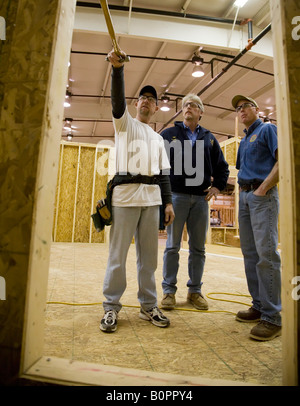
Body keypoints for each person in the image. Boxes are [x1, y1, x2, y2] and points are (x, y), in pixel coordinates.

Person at [100, 50, 175, 333]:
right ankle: (111, 307)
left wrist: (167, 203)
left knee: (149, 259)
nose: (147, 101)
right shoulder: (124, 125)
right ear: (136, 104)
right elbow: (117, 102)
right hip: (124, 198)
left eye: (152, 100)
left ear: (156, 109)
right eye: (143, 98)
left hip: (152, 200)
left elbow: (163, 174)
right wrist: (117, 71)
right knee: (117, 256)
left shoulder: (158, 139)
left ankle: (148, 306)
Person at [160, 94, 229, 311]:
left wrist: (217, 186)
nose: (188, 108)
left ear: (201, 112)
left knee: (198, 248)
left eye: (193, 105)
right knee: (172, 246)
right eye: (185, 105)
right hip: (176, 198)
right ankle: (169, 291)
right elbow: (158, 167)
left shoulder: (209, 139)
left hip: (200, 200)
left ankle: (195, 291)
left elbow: (222, 167)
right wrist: (166, 199)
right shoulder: (168, 134)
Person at [232, 95, 281, 341]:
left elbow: (282, 160)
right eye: (238, 109)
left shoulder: (267, 129)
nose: (241, 110)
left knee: (267, 254)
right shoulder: (244, 140)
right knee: (250, 254)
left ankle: (273, 317)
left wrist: (263, 189)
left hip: (262, 197)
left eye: (245, 106)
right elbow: (242, 170)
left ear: (257, 109)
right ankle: (259, 305)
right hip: (245, 197)